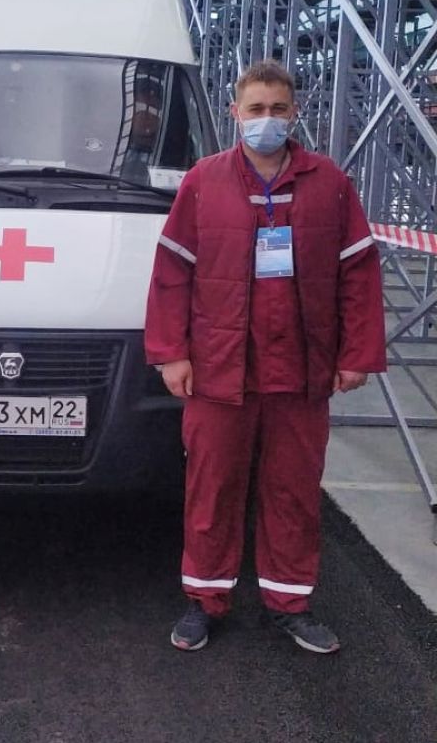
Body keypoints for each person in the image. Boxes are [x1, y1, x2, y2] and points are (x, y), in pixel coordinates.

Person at [145, 59, 386, 654]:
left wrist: (356, 354)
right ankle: (205, 600)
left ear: (295, 112)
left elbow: (358, 274)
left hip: (300, 371)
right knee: (212, 489)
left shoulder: (329, 183)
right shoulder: (203, 182)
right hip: (218, 369)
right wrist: (171, 353)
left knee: (293, 492)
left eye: (278, 109)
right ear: (235, 113)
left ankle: (289, 603)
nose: (267, 120)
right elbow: (172, 272)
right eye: (256, 109)